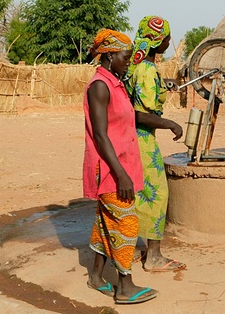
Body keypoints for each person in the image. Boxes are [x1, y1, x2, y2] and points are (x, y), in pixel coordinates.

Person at [83, 29, 157, 304]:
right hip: (111, 171)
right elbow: (101, 135)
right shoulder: (99, 86)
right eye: (125, 57)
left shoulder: (114, 83)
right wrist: (122, 175)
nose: (129, 61)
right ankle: (125, 287)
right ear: (111, 55)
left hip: (119, 166)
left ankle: (95, 277)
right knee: (126, 224)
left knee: (105, 224)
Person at [124, 15, 186, 272]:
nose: (170, 41)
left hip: (129, 139)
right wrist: (171, 123)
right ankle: (154, 257)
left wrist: (164, 86)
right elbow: (140, 113)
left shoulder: (135, 66)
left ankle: (133, 248)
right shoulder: (148, 70)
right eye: (167, 37)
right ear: (157, 40)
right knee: (157, 194)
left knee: (136, 193)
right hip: (143, 140)